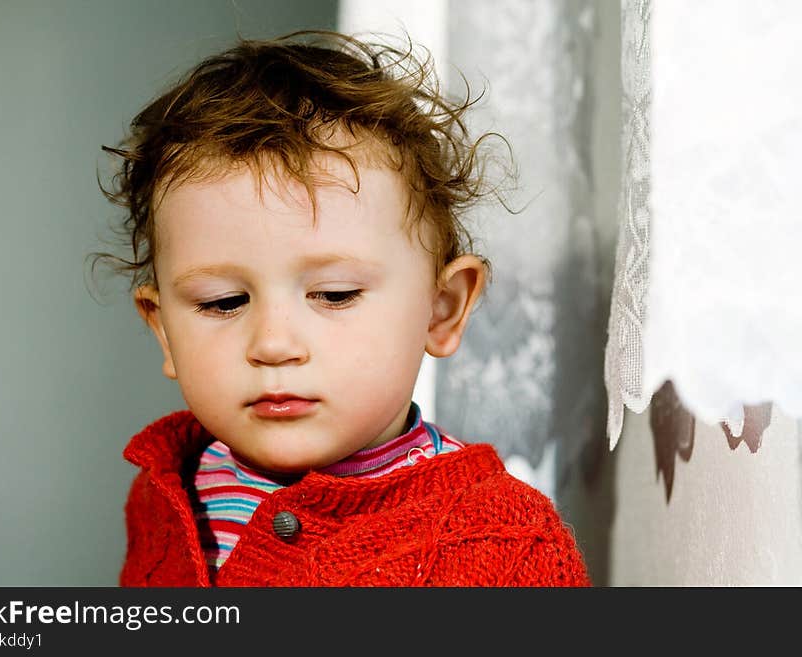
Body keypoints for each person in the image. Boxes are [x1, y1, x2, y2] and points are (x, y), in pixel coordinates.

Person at [95, 30, 591, 586]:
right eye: (223, 302)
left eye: (334, 294)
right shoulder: (165, 494)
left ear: (442, 309)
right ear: (164, 332)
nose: (274, 344)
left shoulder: (503, 544)